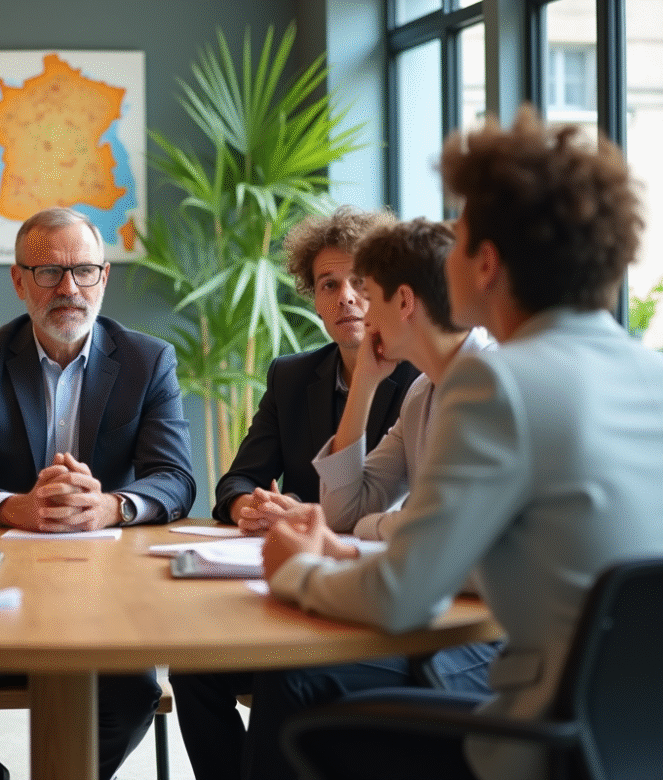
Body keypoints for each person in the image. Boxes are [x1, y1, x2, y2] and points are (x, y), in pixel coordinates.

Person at [263, 106, 663, 780]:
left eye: (460, 234)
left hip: (546, 743)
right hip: (634, 743)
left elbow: (400, 598)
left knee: (304, 712)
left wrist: (294, 568)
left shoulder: (496, 385)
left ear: (484, 263)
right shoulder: (647, 372)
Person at [0, 207, 196, 780]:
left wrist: (109, 506)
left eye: (84, 271)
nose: (69, 288)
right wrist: (18, 507)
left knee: (131, 694)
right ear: (19, 281)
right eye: (48, 272)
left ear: (104, 277)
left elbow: (176, 478)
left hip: (106, 590)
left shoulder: (147, 360)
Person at [238, 218, 498, 780]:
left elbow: (420, 560)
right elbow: (347, 510)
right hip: (450, 618)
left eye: (368, 293)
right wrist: (366, 383)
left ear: (403, 301)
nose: (356, 309)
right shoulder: (426, 391)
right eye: (335, 287)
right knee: (284, 675)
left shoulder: (489, 387)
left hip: (490, 651)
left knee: (292, 679)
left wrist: (322, 559)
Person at [171, 207, 420, 780]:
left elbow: (404, 508)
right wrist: (248, 505)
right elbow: (236, 478)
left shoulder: (419, 380)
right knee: (192, 667)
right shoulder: (291, 374)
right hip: (283, 585)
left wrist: (312, 520)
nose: (347, 298)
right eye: (330, 285)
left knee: (285, 682)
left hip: (359, 584)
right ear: (314, 298)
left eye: (361, 282)